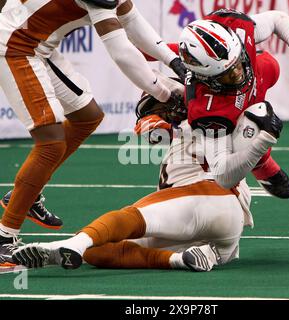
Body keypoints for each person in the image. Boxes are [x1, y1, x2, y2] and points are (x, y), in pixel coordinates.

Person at [11, 80, 283, 272]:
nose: (155, 111)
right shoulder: (214, 121)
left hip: (210, 198)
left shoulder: (202, 120)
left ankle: (71, 243)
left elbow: (153, 128)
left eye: (159, 106)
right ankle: (177, 260)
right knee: (99, 250)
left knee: (128, 217)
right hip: (219, 239)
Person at [0, 0, 187, 266]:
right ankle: (4, 236)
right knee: (50, 143)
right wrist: (164, 93)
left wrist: (173, 61)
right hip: (14, 46)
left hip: (38, 44)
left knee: (86, 117)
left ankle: (26, 194)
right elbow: (122, 52)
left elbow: (131, 20)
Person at [152, 8, 289, 198]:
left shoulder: (236, 28)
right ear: (205, 78)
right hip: (225, 109)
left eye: (237, 64)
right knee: (252, 124)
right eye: (227, 74)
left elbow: (277, 19)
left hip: (259, 75)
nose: (238, 74)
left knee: (271, 67)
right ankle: (262, 164)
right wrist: (263, 141)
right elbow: (223, 176)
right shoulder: (206, 109)